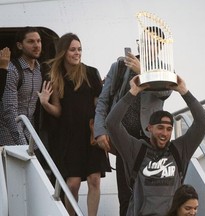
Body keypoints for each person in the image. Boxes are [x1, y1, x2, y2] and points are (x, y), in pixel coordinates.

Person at [94, 26, 171, 216]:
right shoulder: (120, 66)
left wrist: (143, 72)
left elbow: (165, 92)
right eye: (144, 41)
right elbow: (104, 100)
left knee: (149, 191)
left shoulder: (165, 69)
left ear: (160, 46)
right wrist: (100, 130)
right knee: (126, 193)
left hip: (149, 139)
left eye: (153, 43)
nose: (147, 46)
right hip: (124, 137)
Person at [106, 75, 205, 216]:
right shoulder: (136, 149)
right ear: (149, 128)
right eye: (160, 127)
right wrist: (133, 92)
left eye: (168, 129)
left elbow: (203, 122)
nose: (164, 133)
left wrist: (183, 91)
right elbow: (112, 123)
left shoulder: (179, 150)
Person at [38, 33, 111, 216]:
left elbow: (99, 105)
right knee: (72, 184)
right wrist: (46, 103)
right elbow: (58, 110)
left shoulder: (91, 73)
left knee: (94, 179)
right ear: (63, 52)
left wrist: (101, 128)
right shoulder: (54, 75)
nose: (77, 53)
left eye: (79, 49)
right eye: (72, 49)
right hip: (69, 137)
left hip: (89, 132)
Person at [0, 27, 42, 146]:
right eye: (31, 41)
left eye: (38, 41)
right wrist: (22, 144)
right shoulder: (12, 70)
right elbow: (9, 111)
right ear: (19, 45)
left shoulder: (40, 70)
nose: (36, 45)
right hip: (8, 140)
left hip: (30, 137)